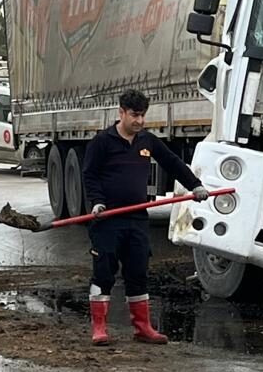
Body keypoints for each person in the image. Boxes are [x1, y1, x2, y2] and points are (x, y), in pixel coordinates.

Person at [82, 88, 209, 345]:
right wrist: (97, 202)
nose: (139, 121)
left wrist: (195, 185)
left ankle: (143, 328)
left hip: (137, 219)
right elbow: (90, 175)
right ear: (121, 113)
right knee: (104, 273)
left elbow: (173, 163)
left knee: (138, 272)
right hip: (107, 219)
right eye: (134, 115)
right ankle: (99, 328)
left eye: (143, 116)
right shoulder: (102, 142)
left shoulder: (147, 141)